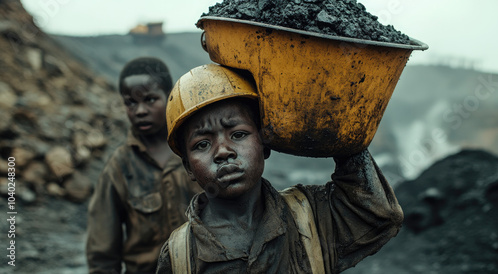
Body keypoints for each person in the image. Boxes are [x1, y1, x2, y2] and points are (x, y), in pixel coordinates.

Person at [156, 64, 404, 273]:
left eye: (239, 134)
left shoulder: (312, 217)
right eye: (202, 144)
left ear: (265, 144)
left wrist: (341, 129)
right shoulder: (180, 257)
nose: (223, 151)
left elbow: (378, 213)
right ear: (188, 166)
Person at [86, 57, 201, 274]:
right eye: (131, 102)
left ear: (170, 97)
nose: (140, 111)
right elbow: (102, 253)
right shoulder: (119, 167)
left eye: (150, 99)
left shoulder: (197, 150)